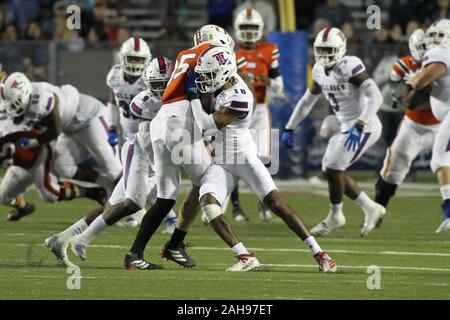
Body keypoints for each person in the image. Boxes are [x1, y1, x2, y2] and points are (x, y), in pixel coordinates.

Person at [182, 46, 336, 272]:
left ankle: (320, 253)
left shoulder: (239, 97)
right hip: (222, 162)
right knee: (208, 202)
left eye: (210, 75)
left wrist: (193, 96)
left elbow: (206, 124)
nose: (206, 80)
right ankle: (244, 256)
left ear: (224, 73)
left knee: (276, 204)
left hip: (243, 157)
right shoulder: (223, 83)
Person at [45, 58, 178, 266]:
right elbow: (145, 138)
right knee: (135, 203)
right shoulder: (144, 101)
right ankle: (85, 240)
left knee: (112, 206)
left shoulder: (176, 99)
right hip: (141, 152)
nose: (160, 89)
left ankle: (61, 239)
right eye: (156, 84)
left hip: (149, 154)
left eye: (164, 83)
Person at [122, 26, 235, 270]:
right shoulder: (209, 55)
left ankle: (134, 255)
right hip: (181, 122)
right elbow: (202, 93)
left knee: (165, 198)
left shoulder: (185, 54)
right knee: (209, 178)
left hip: (161, 122)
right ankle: (176, 243)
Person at [281, 27, 385, 237]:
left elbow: (376, 96)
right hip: (344, 124)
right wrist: (290, 127)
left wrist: (360, 125)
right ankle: (370, 207)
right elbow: (307, 101)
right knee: (330, 170)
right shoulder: (319, 69)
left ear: (340, 49)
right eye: (321, 50)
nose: (324, 54)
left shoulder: (350, 66)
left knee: (333, 168)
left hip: (365, 125)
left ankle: (336, 216)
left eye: (329, 50)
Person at [1, 73, 122, 194]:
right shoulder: (24, 102)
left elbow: (55, 130)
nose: (12, 107)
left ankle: (134, 206)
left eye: (15, 102)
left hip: (90, 118)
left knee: (111, 166)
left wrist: (32, 142)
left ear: (25, 92)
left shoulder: (42, 97)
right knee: (63, 166)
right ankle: (106, 186)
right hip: (69, 129)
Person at [375, 29, 440, 215]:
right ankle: (377, 209)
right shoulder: (405, 64)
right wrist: (418, 87)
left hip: (444, 122)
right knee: (394, 164)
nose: (427, 51)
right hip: (414, 123)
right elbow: (406, 101)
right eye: (423, 47)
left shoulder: (443, 62)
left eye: (430, 46)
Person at [233, 8, 284, 221]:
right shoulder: (229, 51)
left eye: (252, 27)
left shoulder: (269, 50)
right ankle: (235, 206)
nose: (248, 31)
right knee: (232, 159)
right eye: (244, 27)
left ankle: (264, 202)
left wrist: (269, 82)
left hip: (260, 109)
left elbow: (279, 86)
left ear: (260, 29)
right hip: (237, 111)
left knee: (264, 157)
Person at [408, 19, 450, 233]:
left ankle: (449, 211)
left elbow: (418, 83)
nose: (434, 40)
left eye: (439, 36)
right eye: (432, 36)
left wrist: (415, 78)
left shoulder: (440, 54)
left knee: (439, 159)